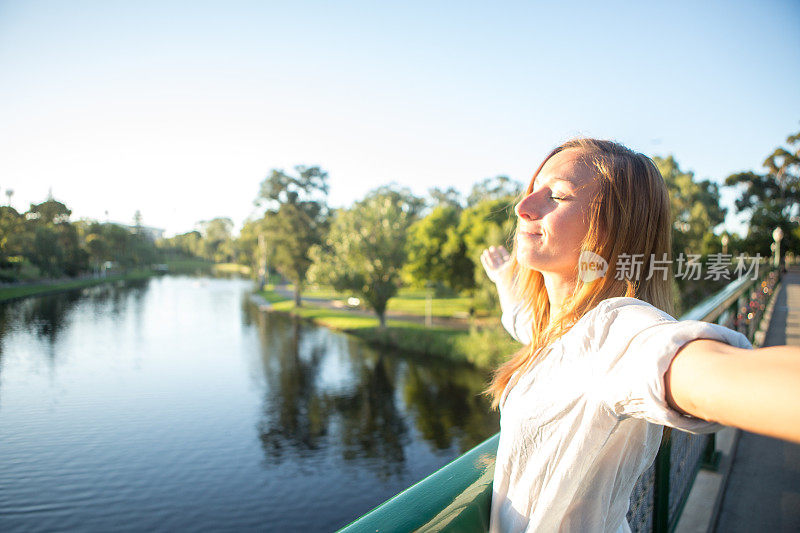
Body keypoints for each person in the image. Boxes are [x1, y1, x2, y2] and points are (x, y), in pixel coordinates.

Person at [479, 138, 800, 533]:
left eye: (557, 196)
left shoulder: (615, 333)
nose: (522, 207)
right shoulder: (557, 328)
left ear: (614, 227)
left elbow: (704, 371)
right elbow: (521, 320)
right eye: (533, 191)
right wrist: (502, 279)